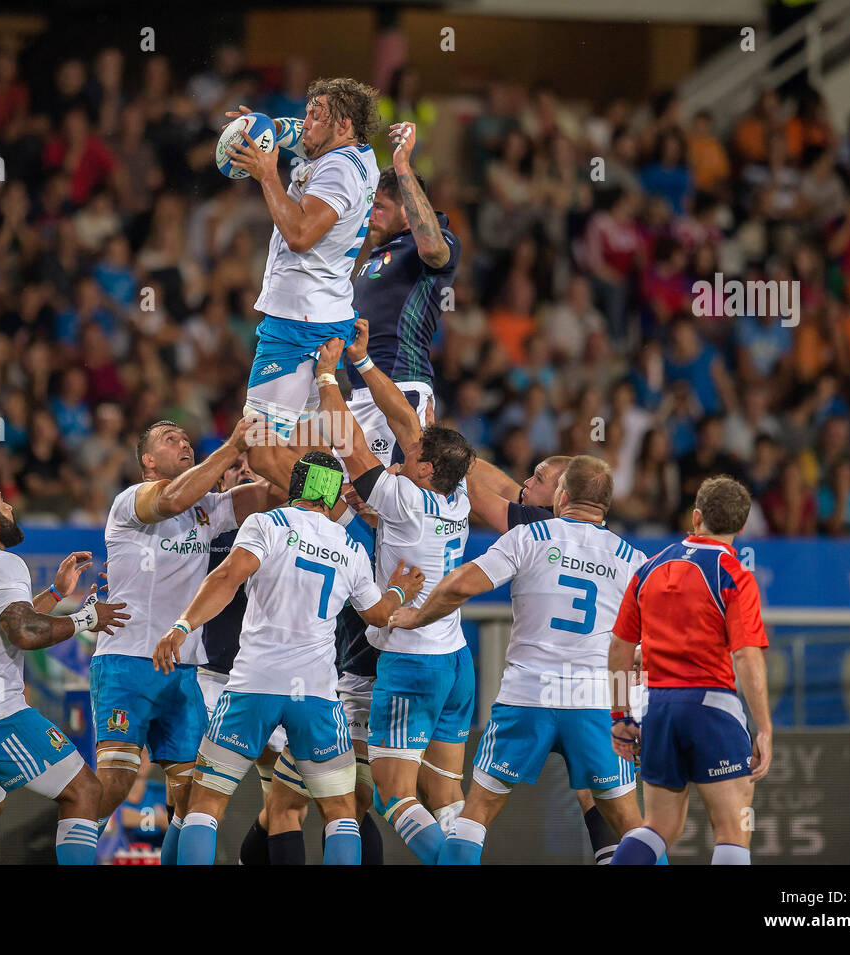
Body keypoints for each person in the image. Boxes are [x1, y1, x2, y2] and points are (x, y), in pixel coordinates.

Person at [153, 451, 426, 865]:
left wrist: (182, 626)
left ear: (296, 486)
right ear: (333, 498)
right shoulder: (349, 547)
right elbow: (377, 615)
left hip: (252, 687)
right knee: (340, 814)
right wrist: (400, 592)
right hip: (315, 697)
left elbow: (227, 577)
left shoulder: (265, 524)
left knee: (205, 807)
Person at [389, 456, 650, 864]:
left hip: (528, 695)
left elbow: (459, 586)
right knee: (633, 827)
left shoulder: (529, 536)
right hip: (595, 701)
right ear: (607, 505)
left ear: (562, 496)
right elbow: (654, 641)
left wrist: (416, 615)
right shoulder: (633, 560)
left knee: (476, 815)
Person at [314, 334, 476, 864]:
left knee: (391, 792)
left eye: (413, 455)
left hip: (413, 660)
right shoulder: (457, 494)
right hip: (457, 661)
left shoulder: (403, 495)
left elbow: (351, 444)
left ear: (426, 468)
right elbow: (408, 422)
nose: (404, 450)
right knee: (447, 798)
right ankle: (463, 851)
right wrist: (364, 361)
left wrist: (328, 376)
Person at [92, 418, 280, 864]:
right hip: (127, 661)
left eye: (187, 439)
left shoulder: (208, 510)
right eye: (169, 439)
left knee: (192, 793)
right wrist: (233, 445)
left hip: (182, 669)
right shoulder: (129, 501)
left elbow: (276, 496)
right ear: (148, 462)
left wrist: (270, 447)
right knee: (116, 783)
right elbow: (174, 496)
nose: (183, 443)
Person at [0, 482, 129, 865]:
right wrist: (87, 617)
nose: (11, 508)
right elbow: (23, 632)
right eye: (3, 503)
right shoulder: (2, 562)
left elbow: (8, 625)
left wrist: (54, 593)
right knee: (84, 791)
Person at [608, 476, 772, 865]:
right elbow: (747, 657)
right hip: (712, 705)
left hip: (658, 709)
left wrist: (619, 716)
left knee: (659, 826)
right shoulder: (734, 575)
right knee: (733, 830)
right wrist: (763, 727)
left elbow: (619, 648)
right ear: (742, 527)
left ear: (695, 516)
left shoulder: (649, 568)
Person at [222, 78, 380, 446]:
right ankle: (332, 501)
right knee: (309, 447)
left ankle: (334, 504)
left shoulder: (337, 171)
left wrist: (266, 174)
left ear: (343, 126)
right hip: (321, 314)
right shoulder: (356, 151)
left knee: (259, 447)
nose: (304, 123)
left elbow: (300, 235)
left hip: (298, 324)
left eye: (315, 116)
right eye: (306, 113)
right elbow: (298, 133)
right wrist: (267, 129)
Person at [196, 452, 305, 865]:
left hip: (278, 683)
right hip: (216, 680)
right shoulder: (205, 527)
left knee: (286, 804)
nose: (243, 469)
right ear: (220, 481)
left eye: (252, 464)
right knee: (194, 789)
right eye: (234, 466)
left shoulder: (297, 531)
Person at [348, 121, 460, 465]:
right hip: (361, 393)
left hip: (402, 389)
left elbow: (433, 250)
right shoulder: (376, 255)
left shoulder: (436, 241)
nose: (370, 217)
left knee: (388, 505)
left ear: (408, 213)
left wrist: (402, 165)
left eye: (379, 207)